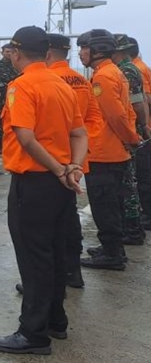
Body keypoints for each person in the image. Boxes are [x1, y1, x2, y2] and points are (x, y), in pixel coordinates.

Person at [0, 26, 87, 355]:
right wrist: (72, 167)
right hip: (59, 184)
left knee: (34, 258)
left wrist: (60, 169)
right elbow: (79, 133)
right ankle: (56, 320)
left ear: (16, 53)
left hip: (34, 182)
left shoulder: (21, 86)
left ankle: (33, 332)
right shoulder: (62, 85)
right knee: (56, 253)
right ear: (47, 53)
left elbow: (26, 138)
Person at [76, 29, 139, 270]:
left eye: (84, 49)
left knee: (104, 205)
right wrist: (131, 137)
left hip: (104, 151)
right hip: (114, 150)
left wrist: (129, 137)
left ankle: (112, 254)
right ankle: (112, 248)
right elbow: (128, 112)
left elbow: (114, 115)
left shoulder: (103, 77)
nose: (81, 53)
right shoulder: (116, 73)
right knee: (113, 203)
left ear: (97, 51)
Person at [45, 33, 104, 289]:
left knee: (47, 224)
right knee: (68, 216)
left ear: (46, 51)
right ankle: (73, 272)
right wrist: (79, 155)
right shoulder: (81, 80)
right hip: (76, 160)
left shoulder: (47, 81)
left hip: (52, 162)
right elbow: (93, 119)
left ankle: (52, 277)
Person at [112, 34, 149, 246]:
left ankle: (132, 229)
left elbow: (137, 102)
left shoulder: (126, 71)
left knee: (128, 179)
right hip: (130, 127)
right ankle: (131, 227)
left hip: (127, 129)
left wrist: (142, 126)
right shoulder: (131, 69)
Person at [128, 37, 151, 231]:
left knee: (142, 175)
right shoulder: (140, 66)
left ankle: (147, 215)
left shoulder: (135, 69)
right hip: (144, 127)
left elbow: (145, 98)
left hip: (142, 130)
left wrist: (142, 125)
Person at [0, 44, 18, 154]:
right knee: (0, 120)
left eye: (11, 52)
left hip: (15, 97)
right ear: (2, 52)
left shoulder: (16, 65)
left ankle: (12, 143)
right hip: (1, 97)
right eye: (7, 51)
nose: (9, 54)